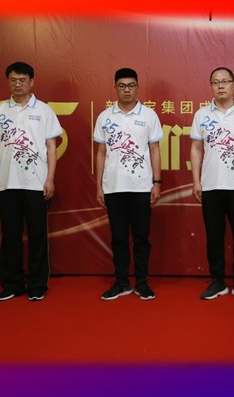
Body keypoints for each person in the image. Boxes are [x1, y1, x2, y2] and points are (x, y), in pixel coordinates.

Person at [0, 62, 63, 302]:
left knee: (38, 236)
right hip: (7, 183)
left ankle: (38, 285)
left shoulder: (44, 111)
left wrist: (50, 179)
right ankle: (12, 284)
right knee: (10, 236)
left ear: (31, 82)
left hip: (36, 183)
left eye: (22, 80)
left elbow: (51, 147)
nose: (17, 84)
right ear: (8, 81)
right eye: (13, 80)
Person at [190, 67, 234, 301]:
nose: (220, 86)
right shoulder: (202, 115)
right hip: (210, 185)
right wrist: (196, 181)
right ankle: (218, 281)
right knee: (214, 236)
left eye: (225, 81)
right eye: (215, 82)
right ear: (211, 86)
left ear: (233, 84)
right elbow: (196, 148)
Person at [93, 68, 163, 300]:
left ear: (137, 87)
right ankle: (121, 282)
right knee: (119, 238)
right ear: (115, 87)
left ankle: (142, 282)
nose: (126, 90)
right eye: (122, 86)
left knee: (141, 238)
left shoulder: (149, 116)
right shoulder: (105, 117)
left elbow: (155, 150)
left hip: (141, 187)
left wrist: (156, 182)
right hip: (113, 187)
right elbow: (101, 152)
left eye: (131, 85)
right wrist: (99, 186)